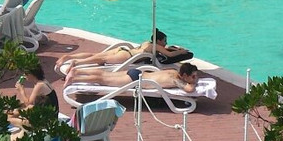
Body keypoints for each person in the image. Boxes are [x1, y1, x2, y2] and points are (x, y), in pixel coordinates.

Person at [66, 61, 202, 92]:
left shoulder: (173, 71)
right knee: (103, 79)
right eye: (193, 76)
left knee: (105, 74)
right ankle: (75, 78)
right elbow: (189, 89)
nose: (195, 79)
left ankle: (77, 71)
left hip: (136, 73)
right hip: (135, 80)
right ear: (185, 75)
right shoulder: (175, 79)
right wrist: (193, 83)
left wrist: (192, 80)